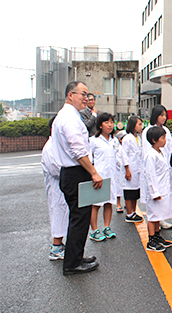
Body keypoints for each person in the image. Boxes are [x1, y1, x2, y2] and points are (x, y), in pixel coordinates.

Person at [51, 81, 102, 275]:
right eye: (83, 94)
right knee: (79, 218)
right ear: (70, 95)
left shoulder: (69, 115)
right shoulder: (69, 118)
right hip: (76, 172)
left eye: (88, 95)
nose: (86, 98)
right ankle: (72, 263)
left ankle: (76, 256)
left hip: (73, 172)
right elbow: (78, 150)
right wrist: (93, 172)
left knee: (79, 217)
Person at [41, 117, 69, 261]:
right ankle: (56, 247)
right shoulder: (50, 147)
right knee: (58, 213)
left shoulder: (57, 144)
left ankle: (60, 244)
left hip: (64, 186)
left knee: (64, 214)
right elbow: (55, 169)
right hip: (56, 187)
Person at [88, 113, 119, 241]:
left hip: (111, 176)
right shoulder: (93, 141)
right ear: (100, 125)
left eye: (111, 122)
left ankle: (106, 227)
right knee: (96, 204)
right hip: (99, 176)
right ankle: (94, 230)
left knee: (109, 202)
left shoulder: (115, 140)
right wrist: (93, 174)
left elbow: (118, 157)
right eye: (106, 122)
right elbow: (89, 159)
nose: (110, 125)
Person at [142, 105, 172, 230]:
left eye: (165, 115)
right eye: (161, 115)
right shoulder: (148, 131)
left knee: (162, 202)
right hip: (155, 167)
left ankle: (160, 221)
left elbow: (170, 148)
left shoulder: (165, 130)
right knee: (154, 205)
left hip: (164, 165)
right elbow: (147, 152)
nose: (164, 118)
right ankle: (155, 230)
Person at [144, 126, 172, 252]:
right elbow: (150, 175)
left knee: (158, 215)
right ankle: (151, 240)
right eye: (162, 138)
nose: (165, 140)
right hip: (155, 191)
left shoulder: (160, 152)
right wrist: (154, 192)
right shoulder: (150, 155)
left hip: (163, 188)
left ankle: (157, 236)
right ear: (154, 140)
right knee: (153, 216)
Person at [122, 116, 144, 223]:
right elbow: (124, 154)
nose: (141, 126)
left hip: (137, 168)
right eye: (139, 124)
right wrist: (127, 169)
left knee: (135, 191)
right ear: (132, 125)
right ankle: (129, 213)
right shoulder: (127, 138)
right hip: (130, 168)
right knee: (129, 191)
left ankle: (134, 212)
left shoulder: (138, 138)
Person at [114, 130, 127, 213]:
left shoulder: (127, 147)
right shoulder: (117, 148)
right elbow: (117, 160)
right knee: (118, 188)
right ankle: (118, 204)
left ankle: (127, 203)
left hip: (127, 170)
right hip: (119, 170)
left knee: (127, 188)